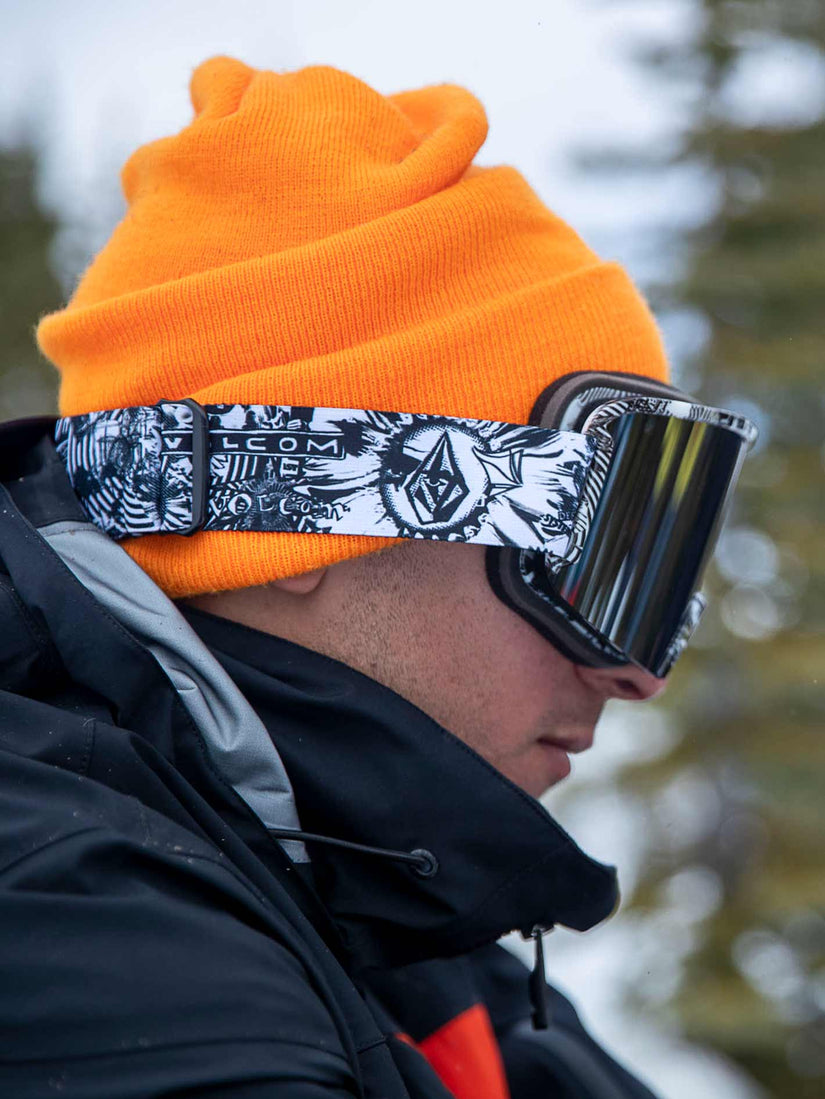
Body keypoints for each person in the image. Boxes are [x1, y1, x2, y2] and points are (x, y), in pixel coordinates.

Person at [0, 56, 755, 1098]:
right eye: (583, 560)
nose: (637, 675)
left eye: (649, 573)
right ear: (303, 516)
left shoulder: (369, 885)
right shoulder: (85, 925)